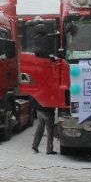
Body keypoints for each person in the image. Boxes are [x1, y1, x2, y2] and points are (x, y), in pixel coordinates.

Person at [31, 24, 56, 155]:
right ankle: (49, 149)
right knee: (50, 130)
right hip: (48, 109)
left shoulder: (35, 40)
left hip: (40, 109)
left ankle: (35, 145)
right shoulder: (47, 39)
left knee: (40, 128)